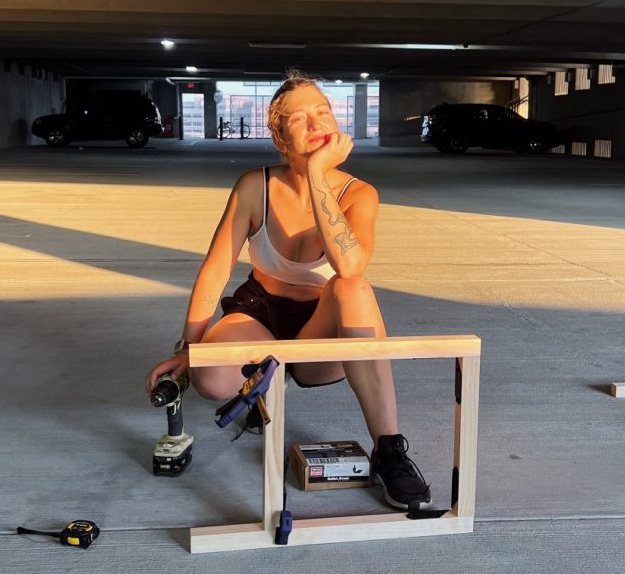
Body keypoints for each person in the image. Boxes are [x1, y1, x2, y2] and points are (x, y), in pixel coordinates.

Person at [146, 72, 431, 509]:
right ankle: (258, 389)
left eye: (323, 112)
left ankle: (390, 450)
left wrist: (317, 174)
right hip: (259, 310)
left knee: (352, 287)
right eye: (300, 119)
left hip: (319, 324)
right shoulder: (253, 186)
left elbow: (349, 264)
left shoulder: (360, 194)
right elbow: (216, 268)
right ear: (280, 139)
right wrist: (189, 348)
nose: (317, 123)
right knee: (212, 377)